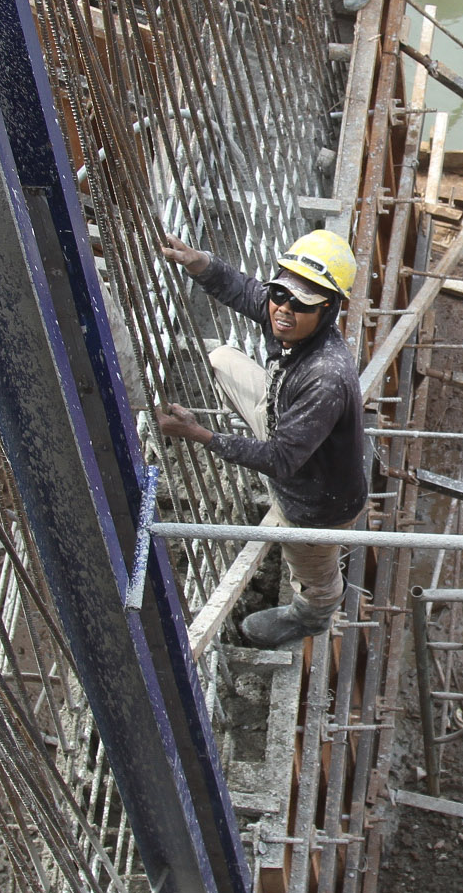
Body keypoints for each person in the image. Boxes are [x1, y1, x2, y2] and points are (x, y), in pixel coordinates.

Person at [154, 228, 368, 647]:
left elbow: (281, 461)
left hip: (316, 500)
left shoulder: (327, 377)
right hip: (286, 424)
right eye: (281, 294)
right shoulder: (288, 319)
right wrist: (199, 261)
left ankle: (310, 616)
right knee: (221, 359)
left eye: (302, 303)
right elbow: (244, 291)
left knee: (312, 571)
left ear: (329, 310)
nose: (283, 310)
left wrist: (199, 434)